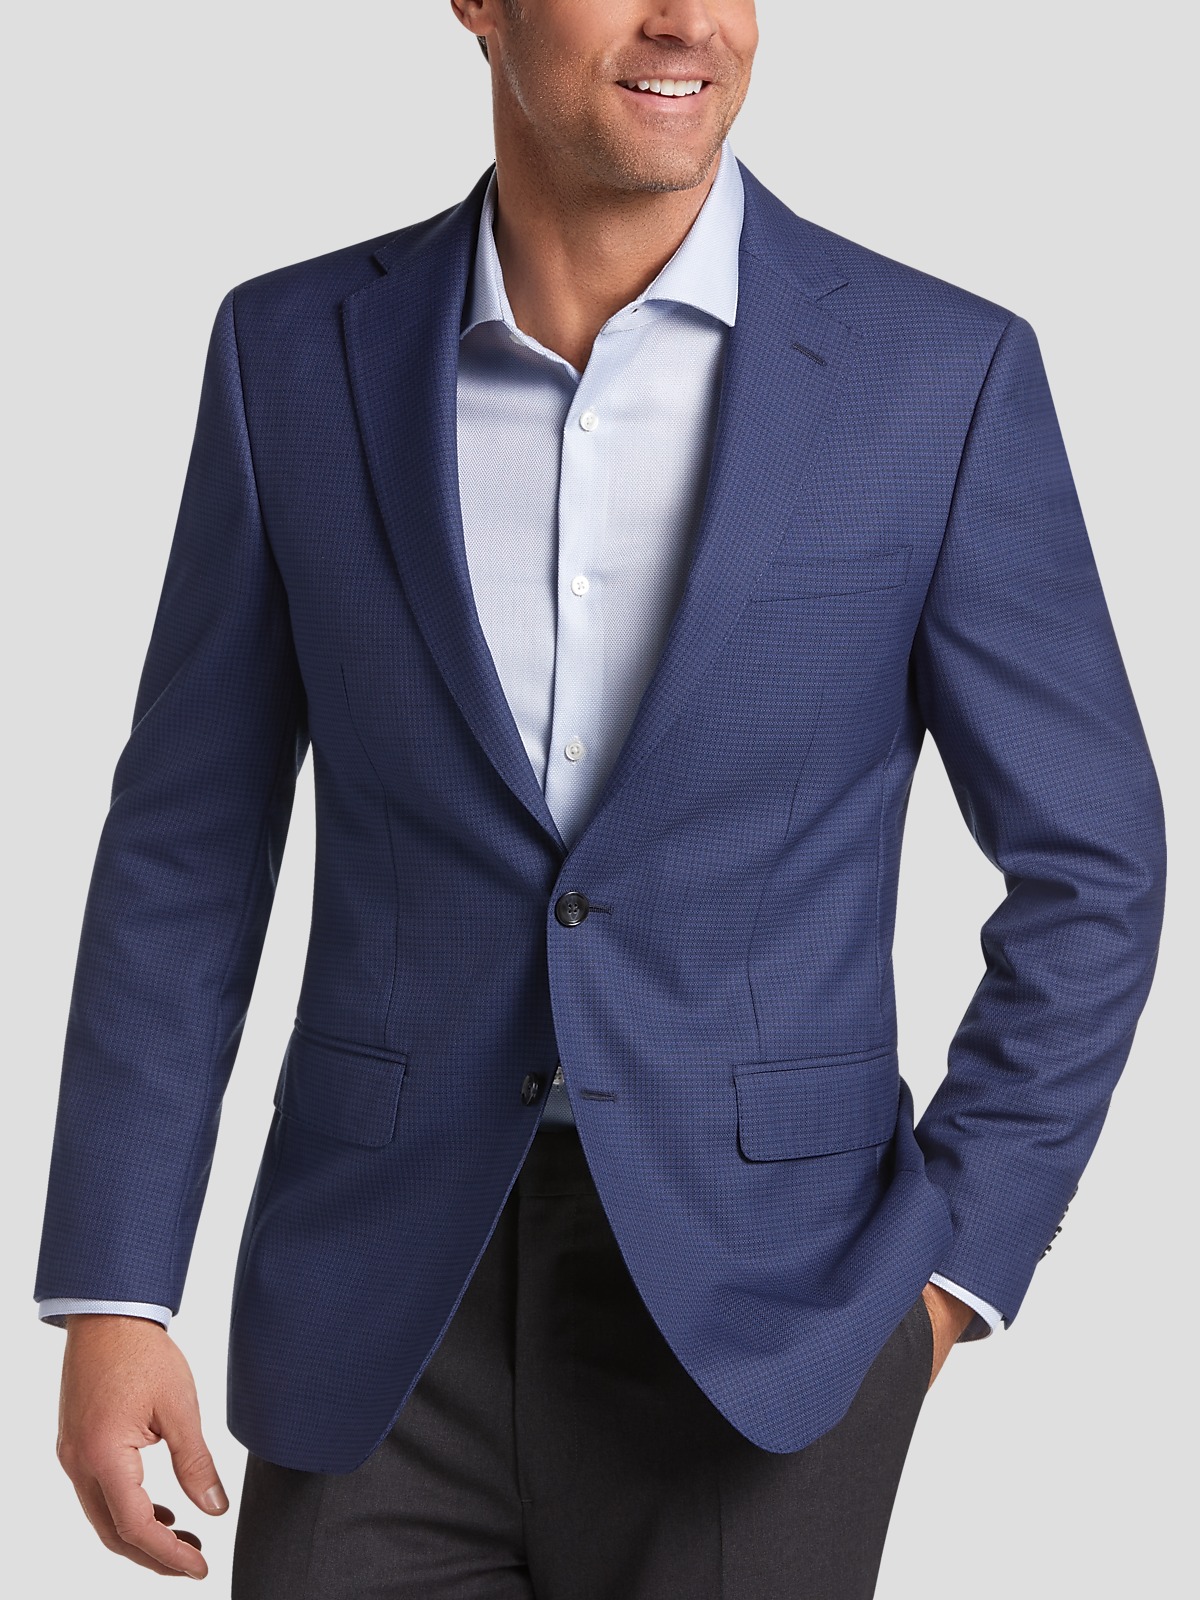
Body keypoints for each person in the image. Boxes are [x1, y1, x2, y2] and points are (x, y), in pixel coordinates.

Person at [35, 1, 1167, 1595]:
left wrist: (949, 1277)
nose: (688, 18)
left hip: (773, 1326)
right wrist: (114, 1285)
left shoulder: (940, 375)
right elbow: (185, 847)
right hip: (378, 1307)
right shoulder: (291, 353)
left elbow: (1094, 862)